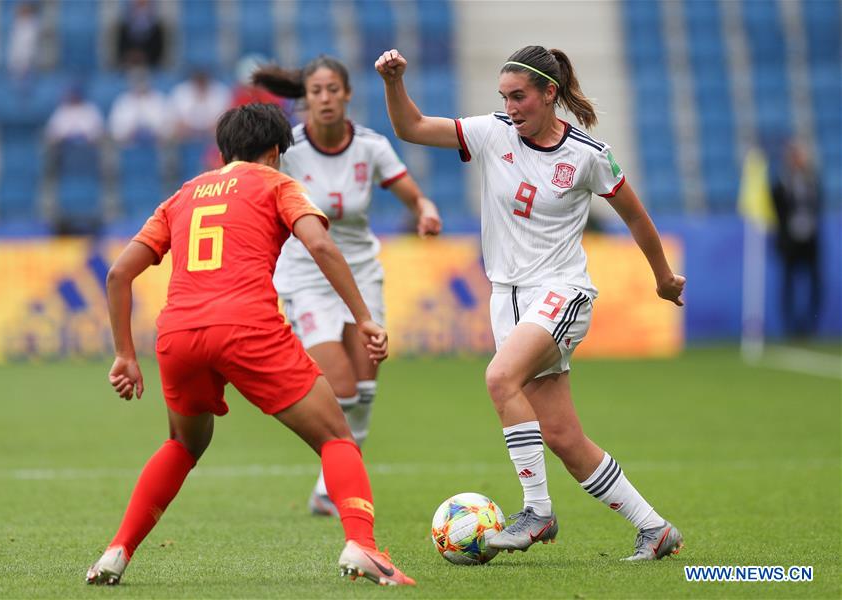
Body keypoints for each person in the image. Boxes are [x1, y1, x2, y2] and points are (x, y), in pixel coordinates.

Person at [375, 47, 686, 560]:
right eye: (504, 97)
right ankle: (654, 529)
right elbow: (411, 127)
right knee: (563, 437)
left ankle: (537, 512)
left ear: (549, 93)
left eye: (519, 96)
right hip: (508, 300)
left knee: (500, 379)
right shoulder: (491, 132)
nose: (510, 107)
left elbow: (635, 215)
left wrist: (663, 278)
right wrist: (393, 82)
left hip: (562, 291)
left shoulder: (588, 154)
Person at [85, 103, 414, 587]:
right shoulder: (277, 183)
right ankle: (362, 545)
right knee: (336, 437)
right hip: (246, 327)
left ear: (223, 151)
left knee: (182, 444)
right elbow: (320, 244)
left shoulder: (183, 194)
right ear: (276, 151)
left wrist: (124, 355)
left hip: (178, 334)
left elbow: (118, 274)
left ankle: (117, 551)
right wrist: (363, 318)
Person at [251, 56, 442, 516]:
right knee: (342, 388)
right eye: (316, 91)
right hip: (305, 276)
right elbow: (252, 183)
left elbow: (413, 194)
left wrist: (425, 210)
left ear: (348, 94)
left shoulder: (372, 146)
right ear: (306, 97)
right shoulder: (288, 148)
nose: (325, 98)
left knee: (364, 390)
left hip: (360, 275)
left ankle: (326, 489)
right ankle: (341, 485)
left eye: (333, 89)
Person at [770, 140, 822, 337]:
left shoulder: (812, 181)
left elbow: (816, 206)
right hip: (789, 242)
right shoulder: (782, 182)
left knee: (815, 283)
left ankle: (810, 324)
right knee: (788, 283)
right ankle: (789, 325)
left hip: (810, 240)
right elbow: (777, 209)